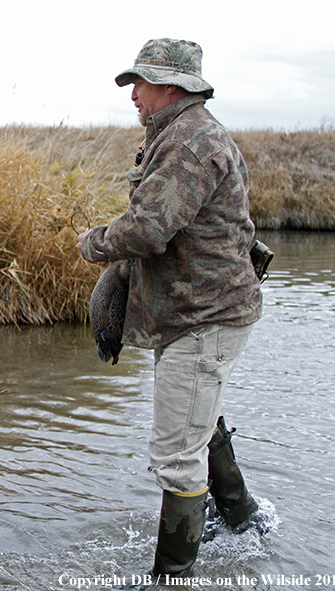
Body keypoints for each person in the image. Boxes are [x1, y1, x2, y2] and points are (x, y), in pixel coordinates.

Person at [76, 38, 264, 578]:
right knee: (197, 427)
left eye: (139, 82)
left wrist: (94, 243)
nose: (132, 93)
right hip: (198, 316)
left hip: (204, 319)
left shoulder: (189, 143)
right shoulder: (180, 134)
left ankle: (172, 578)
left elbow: (148, 228)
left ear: (170, 86)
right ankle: (244, 522)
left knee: (175, 459)